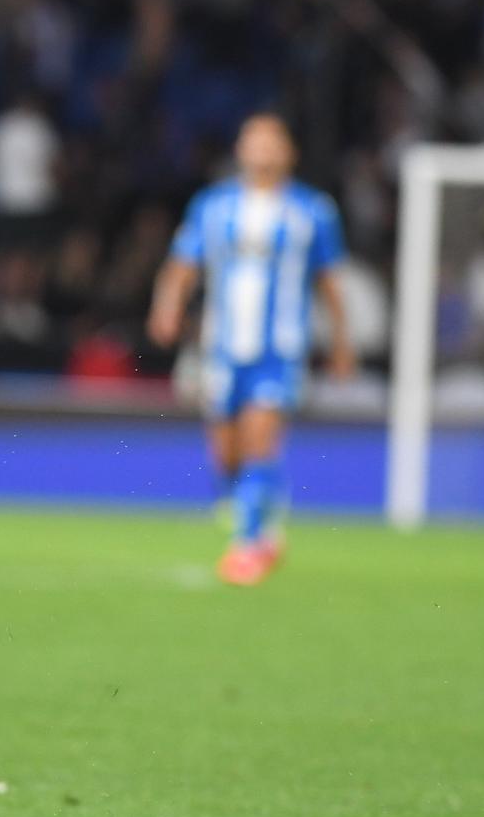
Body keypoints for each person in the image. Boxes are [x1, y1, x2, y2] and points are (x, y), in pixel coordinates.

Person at [147, 112, 355, 587]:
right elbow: (182, 265)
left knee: (260, 432)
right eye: (253, 140)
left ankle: (247, 544)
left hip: (279, 348)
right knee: (227, 453)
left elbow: (329, 282)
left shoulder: (312, 211)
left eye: (271, 141)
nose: (262, 149)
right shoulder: (213, 206)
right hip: (222, 348)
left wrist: (342, 341)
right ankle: (262, 517)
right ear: (240, 150)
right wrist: (166, 308)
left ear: (289, 152)